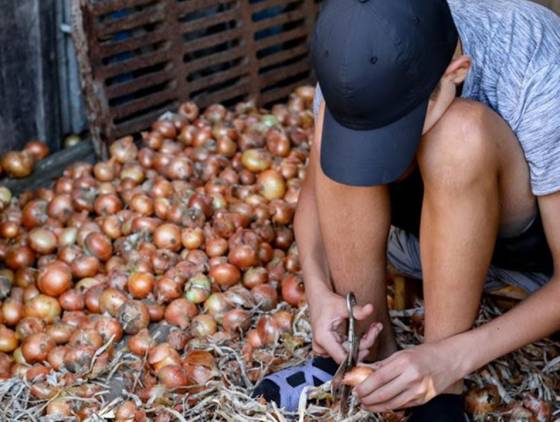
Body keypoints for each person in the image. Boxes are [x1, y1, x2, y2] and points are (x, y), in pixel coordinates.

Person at [252, 0, 560, 419]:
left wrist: (451, 357)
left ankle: (441, 394)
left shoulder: (534, 59)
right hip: (419, 239)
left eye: (395, 132)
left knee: (459, 136)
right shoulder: (357, 52)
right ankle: (362, 352)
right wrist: (320, 293)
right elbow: (314, 190)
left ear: (458, 71)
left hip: (523, 251)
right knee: (335, 126)